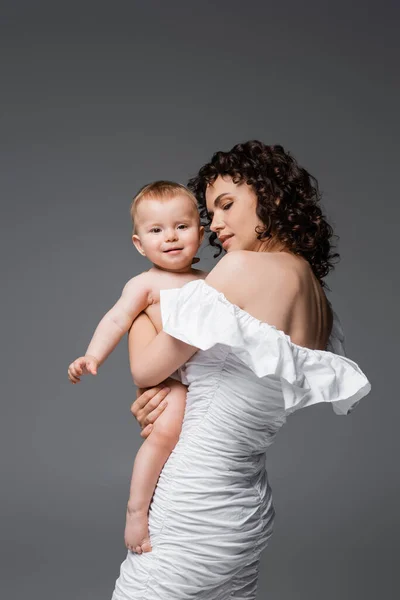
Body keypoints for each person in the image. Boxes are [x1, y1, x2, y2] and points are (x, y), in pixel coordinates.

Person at [111, 141, 371, 600]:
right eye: (210, 213)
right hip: (244, 514)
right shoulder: (317, 298)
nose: (217, 225)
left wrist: (137, 310)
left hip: (193, 503)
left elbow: (149, 368)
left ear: (269, 198)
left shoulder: (241, 268)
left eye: (227, 205)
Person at [68, 181, 207, 554]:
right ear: (138, 243)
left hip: (205, 378)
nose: (171, 237)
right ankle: (136, 509)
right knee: (167, 428)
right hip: (167, 380)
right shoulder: (144, 284)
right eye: (156, 230)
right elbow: (116, 321)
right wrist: (93, 356)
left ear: (201, 232)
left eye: (182, 226)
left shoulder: (211, 282)